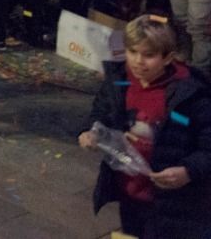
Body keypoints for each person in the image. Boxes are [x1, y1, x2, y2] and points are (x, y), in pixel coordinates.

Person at [79, 17, 211, 239]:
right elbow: (100, 114)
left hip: (176, 202)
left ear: (168, 57)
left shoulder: (192, 94)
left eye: (149, 55)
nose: (138, 61)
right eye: (132, 51)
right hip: (129, 190)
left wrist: (189, 171)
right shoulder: (119, 81)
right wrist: (91, 132)